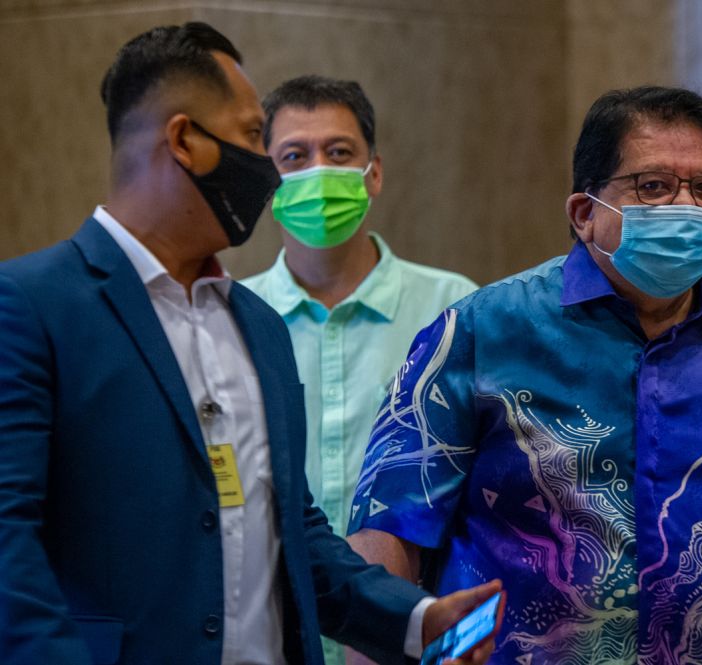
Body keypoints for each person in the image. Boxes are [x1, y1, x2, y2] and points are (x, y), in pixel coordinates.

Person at [0, 22, 499, 665]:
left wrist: (416, 621)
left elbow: (292, 530)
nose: (265, 169)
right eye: (248, 139)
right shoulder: (31, 304)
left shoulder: (257, 324)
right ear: (184, 142)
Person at [346, 86, 702, 664]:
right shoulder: (481, 333)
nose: (684, 208)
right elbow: (389, 534)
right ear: (586, 213)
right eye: (653, 187)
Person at [242, 71, 478, 665]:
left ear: (374, 172)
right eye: (294, 155)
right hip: (272, 636)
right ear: (269, 182)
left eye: (339, 152)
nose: (318, 171)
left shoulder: (455, 311)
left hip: (418, 636)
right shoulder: (234, 318)